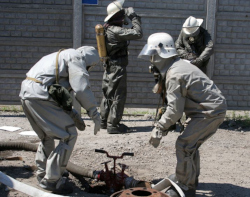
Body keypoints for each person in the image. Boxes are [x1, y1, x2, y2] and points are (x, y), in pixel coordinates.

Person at [138, 32, 227, 197]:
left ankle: (185, 187)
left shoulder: (174, 74)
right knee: (190, 145)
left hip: (209, 111)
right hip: (211, 108)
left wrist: (159, 129)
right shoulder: (177, 65)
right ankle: (189, 181)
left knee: (184, 144)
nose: (151, 60)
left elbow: (175, 110)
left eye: (153, 55)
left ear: (161, 54)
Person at [19, 46, 101, 194]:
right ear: (88, 60)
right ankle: (52, 180)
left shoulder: (59, 57)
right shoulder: (76, 57)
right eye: (89, 67)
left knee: (46, 136)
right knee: (69, 135)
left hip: (27, 93)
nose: (87, 69)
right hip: (39, 95)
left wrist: (74, 114)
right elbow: (81, 89)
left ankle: (44, 174)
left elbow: (57, 93)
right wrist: (94, 113)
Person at [100, 0, 143, 134]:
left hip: (109, 66)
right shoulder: (116, 31)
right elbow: (138, 33)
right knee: (118, 95)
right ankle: (113, 125)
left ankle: (104, 121)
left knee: (108, 94)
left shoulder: (108, 28)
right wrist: (134, 18)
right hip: (117, 67)